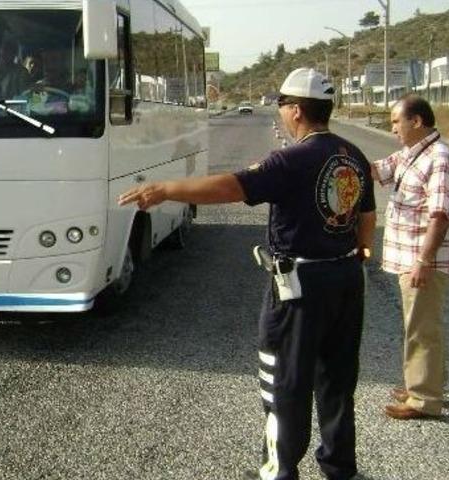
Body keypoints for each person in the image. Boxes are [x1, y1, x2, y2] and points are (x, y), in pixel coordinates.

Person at [118, 68, 376, 480]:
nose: (280, 115)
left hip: (299, 287)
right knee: (338, 380)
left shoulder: (291, 160)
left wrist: (166, 190)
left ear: (295, 110)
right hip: (346, 278)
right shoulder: (352, 155)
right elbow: (367, 216)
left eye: (281, 107)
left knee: (285, 386)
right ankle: (340, 469)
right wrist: (358, 254)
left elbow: (231, 188)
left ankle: (280, 472)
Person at [372, 94, 449, 420]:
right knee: (418, 326)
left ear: (417, 121)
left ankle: (424, 399)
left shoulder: (440, 159)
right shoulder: (411, 154)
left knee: (422, 329)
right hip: (410, 259)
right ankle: (420, 386)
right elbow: (376, 171)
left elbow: (440, 216)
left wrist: (424, 262)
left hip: (424, 262)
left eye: (397, 121)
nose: (393, 127)